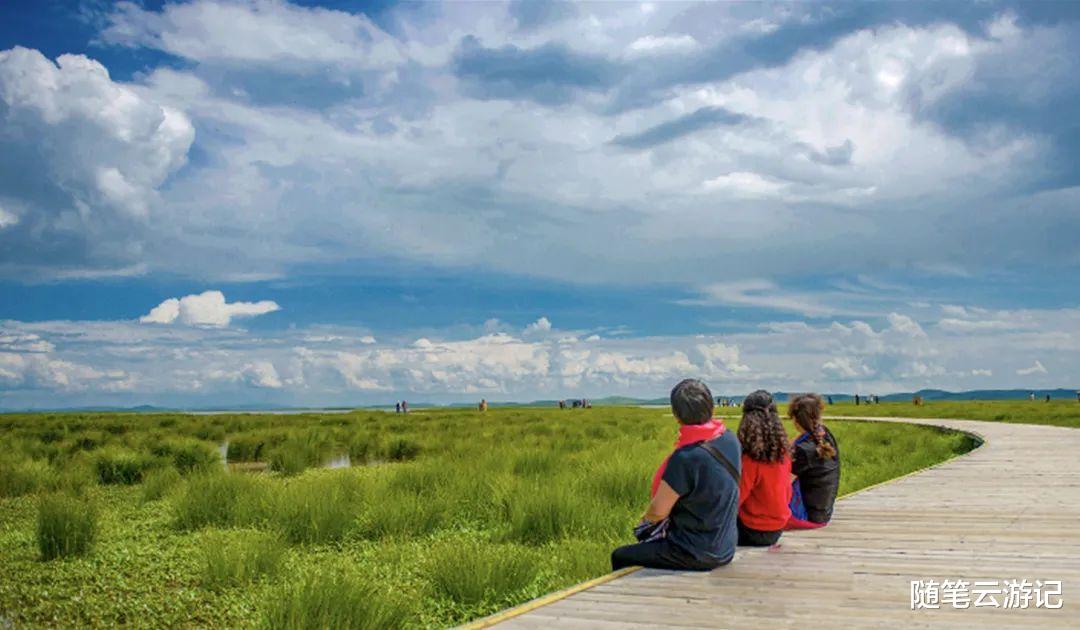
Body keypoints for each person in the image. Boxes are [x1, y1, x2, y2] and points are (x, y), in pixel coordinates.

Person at [611, 379, 741, 571]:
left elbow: (658, 511)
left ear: (677, 416)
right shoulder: (730, 439)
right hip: (726, 548)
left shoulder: (685, 457)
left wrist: (643, 523)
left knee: (620, 556)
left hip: (693, 552)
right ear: (711, 407)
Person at [736, 390, 791, 547]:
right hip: (778, 527)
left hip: (752, 529)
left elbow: (737, 498)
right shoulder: (783, 453)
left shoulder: (751, 459)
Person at [787, 393, 840, 527]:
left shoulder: (804, 450)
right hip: (823, 512)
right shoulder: (824, 434)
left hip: (810, 515)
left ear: (795, 419)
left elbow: (784, 481)